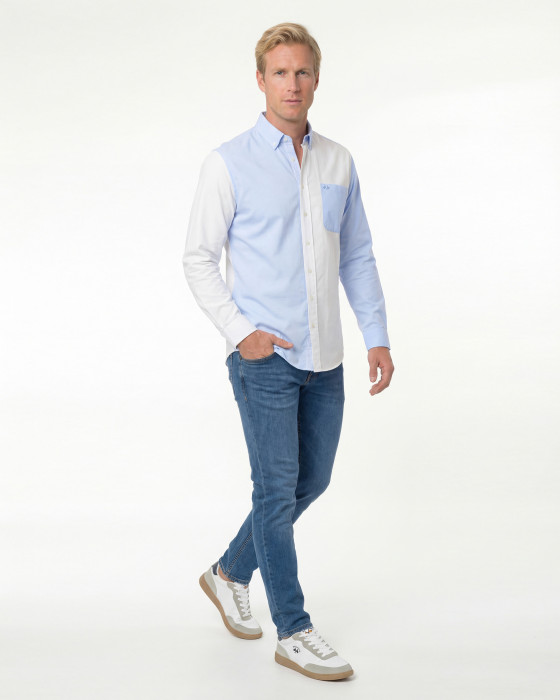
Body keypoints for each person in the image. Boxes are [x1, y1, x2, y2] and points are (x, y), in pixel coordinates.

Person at [182, 22, 394, 682]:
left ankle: (228, 571)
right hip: (263, 357)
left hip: (325, 356)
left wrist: (376, 334)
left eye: (302, 71)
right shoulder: (227, 162)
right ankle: (294, 631)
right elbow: (197, 258)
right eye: (280, 72)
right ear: (260, 80)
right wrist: (238, 329)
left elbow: (356, 254)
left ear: (317, 79)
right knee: (275, 490)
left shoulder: (338, 161)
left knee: (311, 481)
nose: (292, 84)